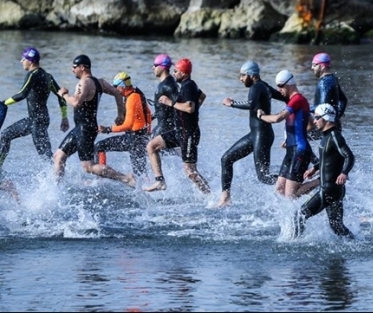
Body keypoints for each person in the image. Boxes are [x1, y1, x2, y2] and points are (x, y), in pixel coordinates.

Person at [54, 55, 135, 188]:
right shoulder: (100, 82)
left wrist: (64, 94)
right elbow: (117, 93)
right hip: (81, 128)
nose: (72, 70)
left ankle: (125, 178)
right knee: (58, 156)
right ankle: (58, 189)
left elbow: (76, 103)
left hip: (84, 129)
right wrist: (120, 114)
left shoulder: (84, 83)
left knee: (89, 166)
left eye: (74, 67)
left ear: (82, 67)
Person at [0, 47, 69, 200]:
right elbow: (61, 95)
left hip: (37, 122)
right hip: (37, 120)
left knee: (46, 157)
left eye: (23, 59)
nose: (21, 61)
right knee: (5, 135)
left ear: (30, 61)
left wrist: (4, 102)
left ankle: (59, 183)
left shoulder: (32, 74)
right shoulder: (47, 76)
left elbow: (22, 94)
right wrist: (64, 117)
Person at [219, 61, 285, 207]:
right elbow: (286, 98)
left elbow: (251, 104)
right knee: (226, 159)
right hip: (256, 135)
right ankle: (225, 198)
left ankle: (294, 181)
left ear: (250, 75)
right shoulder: (264, 86)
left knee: (263, 177)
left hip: (262, 135)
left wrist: (232, 103)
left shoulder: (257, 87)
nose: (240, 79)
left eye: (242, 75)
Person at [144, 58, 211, 194]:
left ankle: (209, 194)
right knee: (152, 146)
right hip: (178, 130)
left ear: (184, 73)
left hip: (188, 133)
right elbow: (202, 96)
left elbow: (190, 108)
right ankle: (160, 181)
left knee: (190, 171)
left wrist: (171, 103)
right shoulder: (188, 86)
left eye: (176, 71)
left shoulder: (188, 86)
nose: (173, 74)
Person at [294, 104, 354, 239]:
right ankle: (357, 243)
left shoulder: (335, 136)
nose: (314, 121)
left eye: (316, 118)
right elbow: (328, 158)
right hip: (333, 190)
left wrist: (344, 172)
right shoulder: (327, 136)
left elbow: (349, 155)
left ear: (325, 118)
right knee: (337, 226)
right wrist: (314, 168)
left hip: (329, 190)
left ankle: (294, 245)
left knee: (299, 215)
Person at [257, 70, 318, 199]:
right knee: (279, 189)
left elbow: (277, 118)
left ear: (289, 84)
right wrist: (294, 135)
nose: (279, 90)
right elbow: (311, 124)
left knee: (291, 195)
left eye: (280, 86)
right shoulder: (297, 101)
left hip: (300, 150)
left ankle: (322, 181)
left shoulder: (298, 100)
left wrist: (262, 116)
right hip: (291, 150)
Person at [95, 72, 152, 177]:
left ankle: (100, 177)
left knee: (99, 146)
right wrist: (147, 132)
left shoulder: (131, 99)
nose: (115, 90)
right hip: (140, 139)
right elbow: (148, 113)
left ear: (122, 86)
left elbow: (128, 125)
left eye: (116, 87)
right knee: (141, 175)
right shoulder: (137, 93)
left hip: (133, 140)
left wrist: (107, 129)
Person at [310, 52, 348, 133]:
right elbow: (343, 100)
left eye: (314, 65)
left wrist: (305, 108)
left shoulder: (324, 83)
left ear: (322, 66)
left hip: (325, 126)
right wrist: (336, 116)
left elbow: (323, 107)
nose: (312, 68)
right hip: (333, 125)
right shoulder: (333, 79)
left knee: (298, 137)